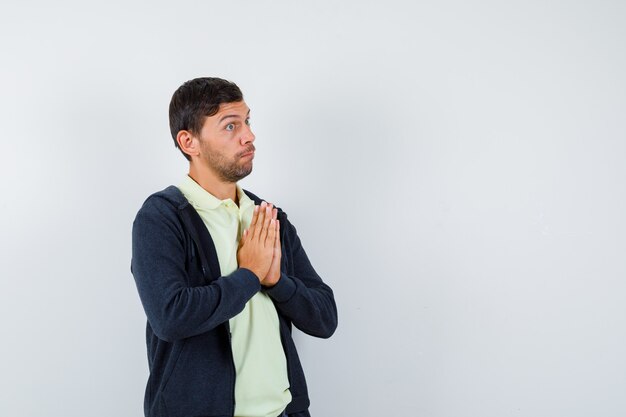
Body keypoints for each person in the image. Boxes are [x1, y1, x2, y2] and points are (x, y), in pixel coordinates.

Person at [131, 77, 338, 417]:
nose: (249, 136)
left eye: (247, 121)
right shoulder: (161, 218)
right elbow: (170, 317)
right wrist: (250, 275)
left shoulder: (268, 217)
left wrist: (276, 281)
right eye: (230, 126)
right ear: (189, 142)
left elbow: (325, 319)